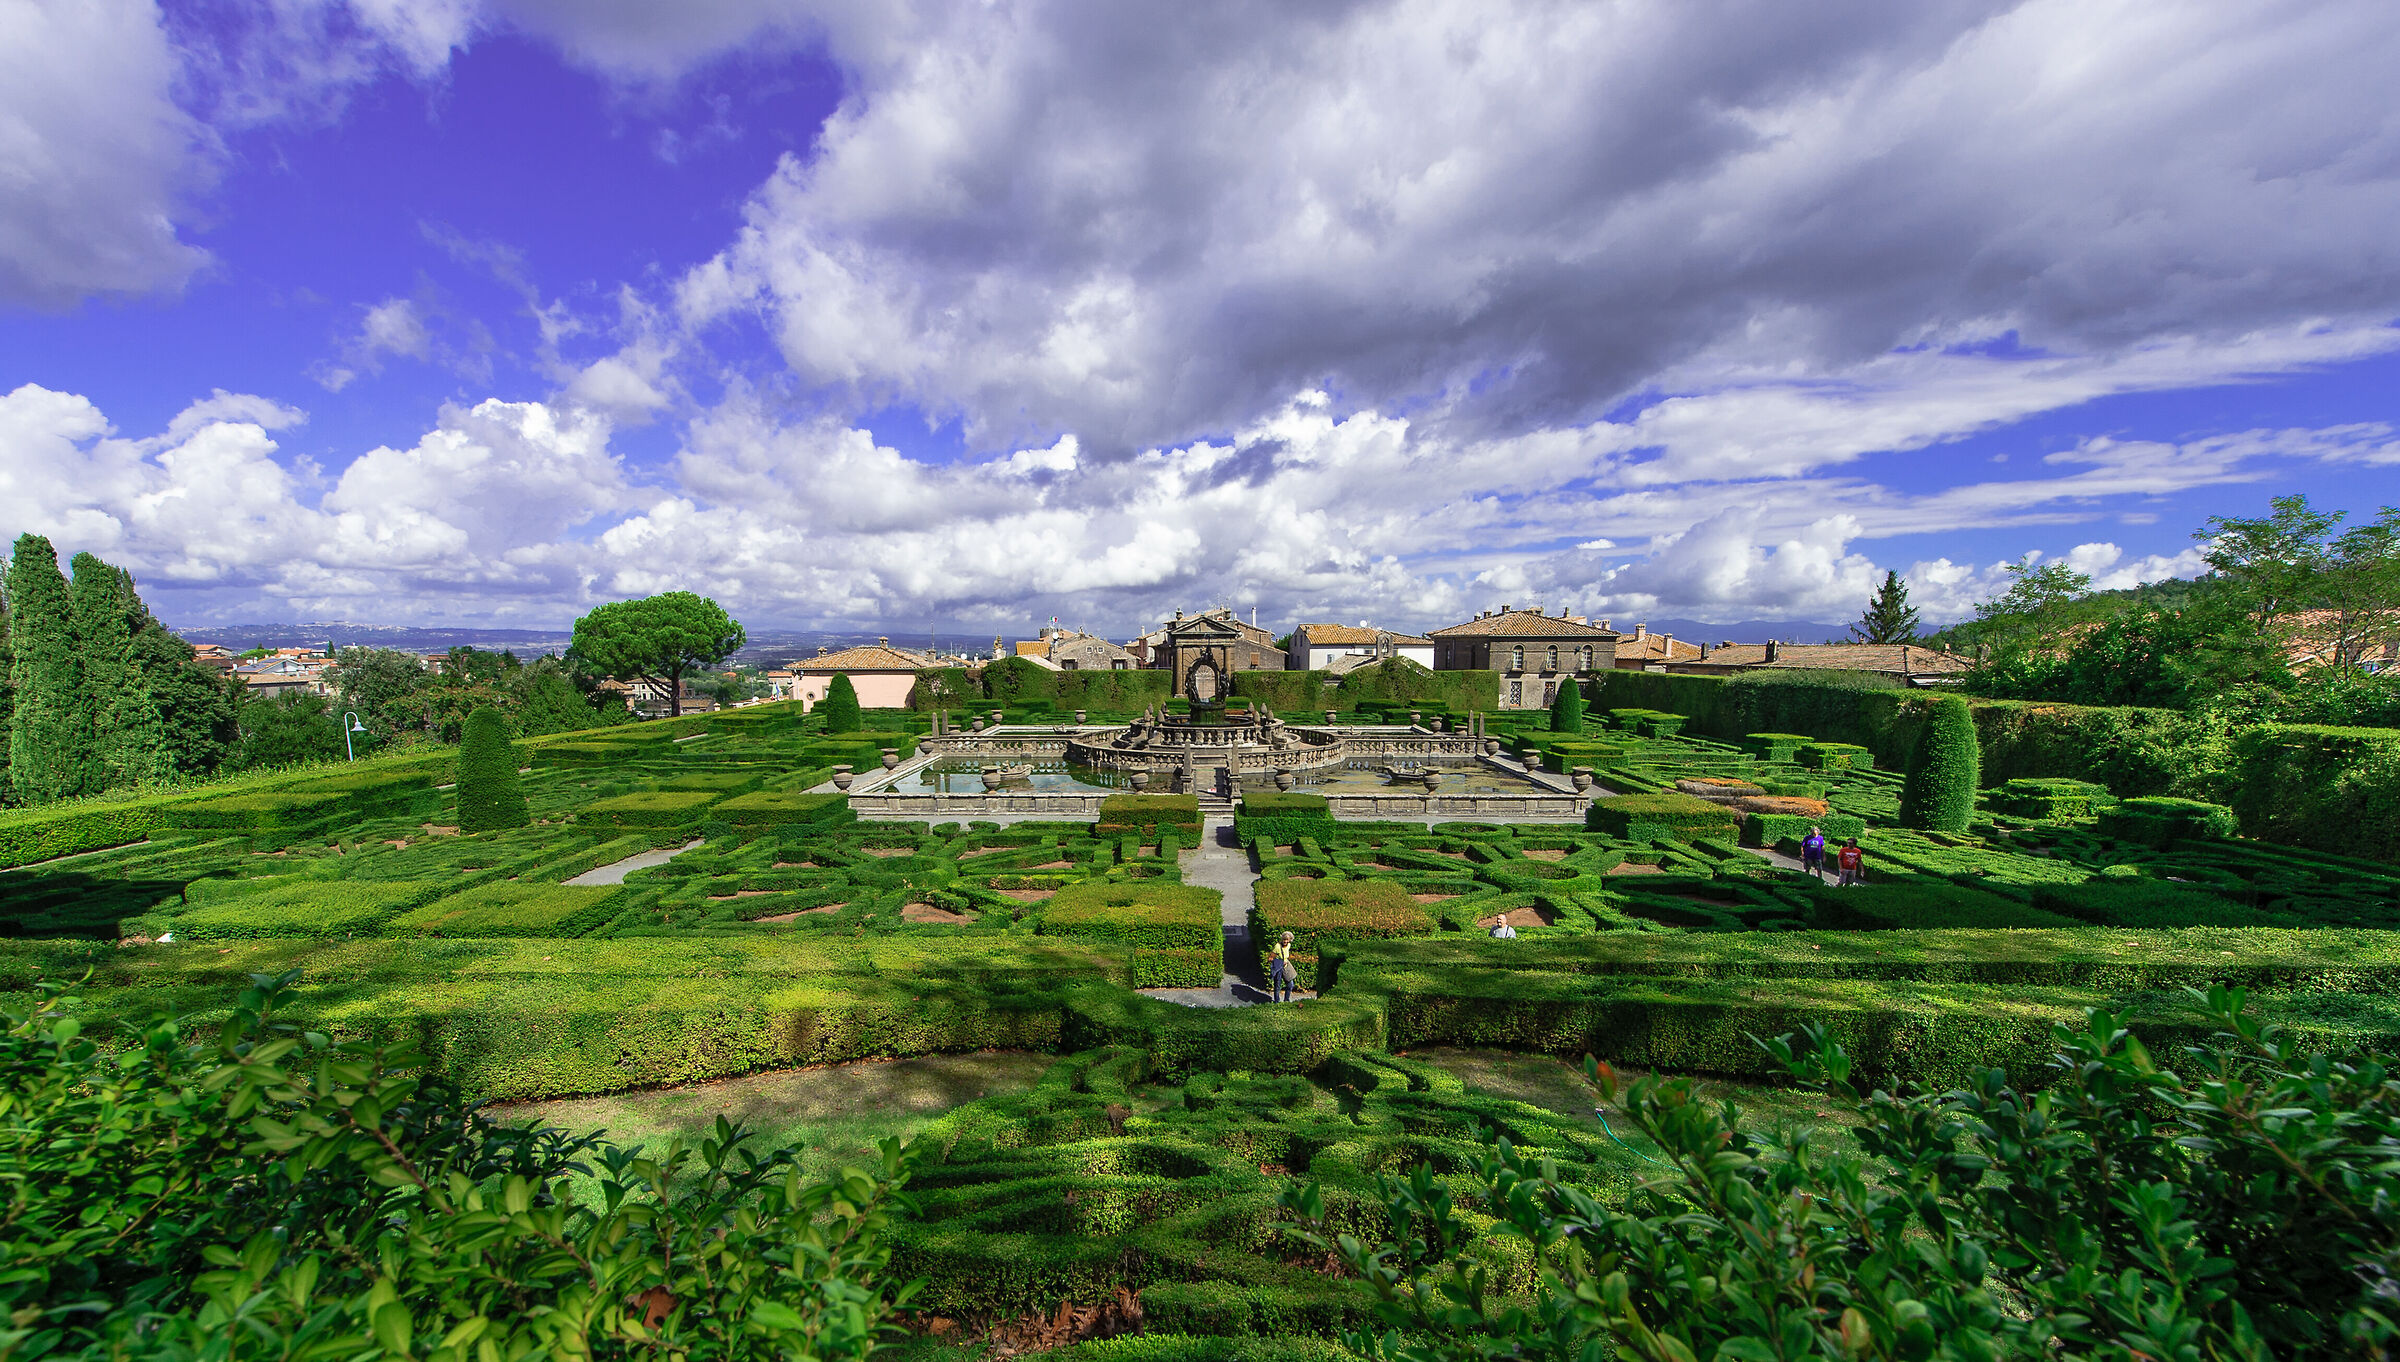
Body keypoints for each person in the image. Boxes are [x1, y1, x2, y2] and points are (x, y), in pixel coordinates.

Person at [1270, 930, 1298, 1002]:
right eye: (1284, 939)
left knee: (1290, 985)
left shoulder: (1289, 945)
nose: (1285, 941)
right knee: (1277, 986)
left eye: (1287, 940)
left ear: (1289, 940)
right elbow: (1271, 958)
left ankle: (1286, 1000)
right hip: (1278, 968)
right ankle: (1277, 1001)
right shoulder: (1277, 946)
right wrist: (1279, 962)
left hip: (1286, 968)